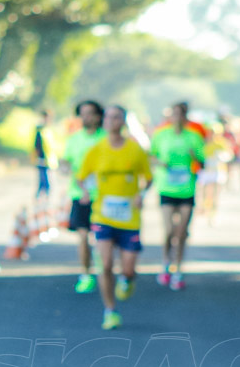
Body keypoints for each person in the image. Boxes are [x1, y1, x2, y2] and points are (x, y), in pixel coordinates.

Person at [76, 105, 152, 330]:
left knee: (128, 269)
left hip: (129, 219)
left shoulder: (135, 150)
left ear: (123, 121)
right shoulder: (96, 150)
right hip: (103, 216)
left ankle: (127, 280)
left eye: (116, 117)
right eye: (108, 117)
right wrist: (86, 191)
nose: (111, 120)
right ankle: (110, 310)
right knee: (106, 264)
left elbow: (148, 178)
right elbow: (81, 176)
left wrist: (140, 194)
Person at [150, 103, 205, 291]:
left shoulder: (194, 137)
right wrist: (161, 163)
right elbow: (151, 156)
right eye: (173, 114)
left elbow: (202, 162)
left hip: (186, 189)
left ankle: (178, 269)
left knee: (181, 232)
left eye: (180, 115)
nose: (176, 118)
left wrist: (195, 158)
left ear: (185, 117)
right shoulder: (161, 134)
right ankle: (166, 263)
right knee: (168, 230)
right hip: (166, 188)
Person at [60, 100, 105, 294]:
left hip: (105, 196)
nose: (86, 117)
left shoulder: (106, 139)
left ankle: (105, 272)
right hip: (80, 195)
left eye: (90, 113)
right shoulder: (74, 139)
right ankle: (86, 274)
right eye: (83, 114)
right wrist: (65, 167)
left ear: (98, 116)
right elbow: (65, 161)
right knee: (83, 236)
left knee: (104, 239)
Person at [33, 109, 52, 198]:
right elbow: (36, 146)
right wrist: (38, 159)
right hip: (41, 160)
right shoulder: (39, 131)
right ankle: (41, 200)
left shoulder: (48, 130)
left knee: (45, 182)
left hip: (48, 160)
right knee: (44, 182)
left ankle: (43, 200)